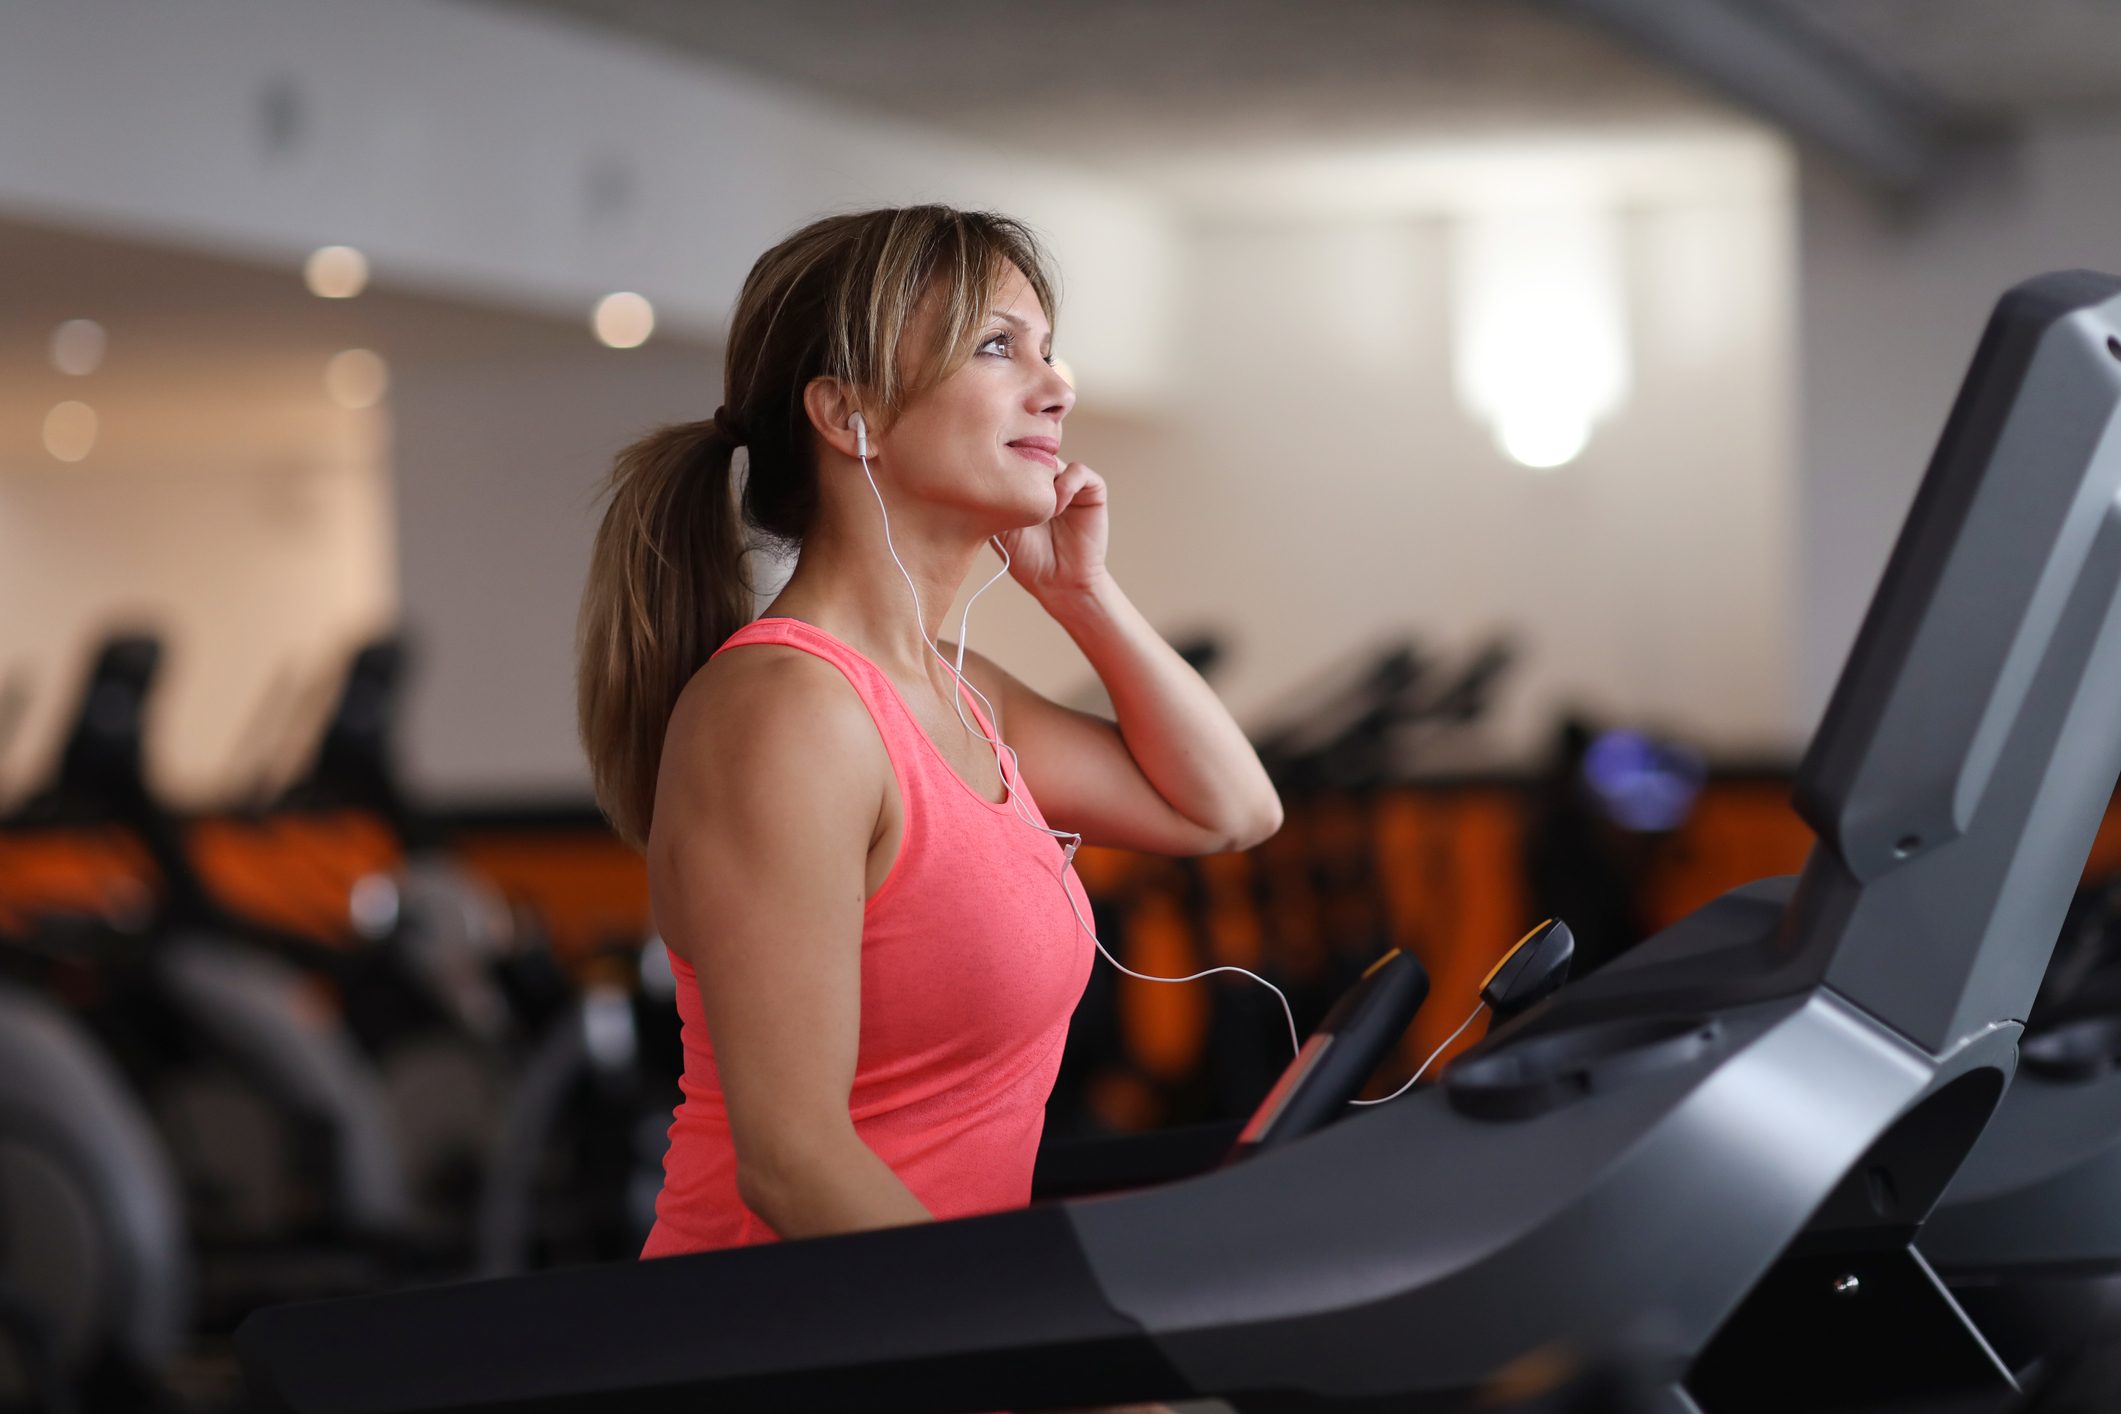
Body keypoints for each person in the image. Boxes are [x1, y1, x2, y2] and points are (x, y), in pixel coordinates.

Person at [576, 205, 1281, 1288]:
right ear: (847, 411)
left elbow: (1230, 812)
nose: (1058, 385)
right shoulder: (786, 711)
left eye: (1048, 349)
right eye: (999, 346)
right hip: (791, 1343)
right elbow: (793, 1163)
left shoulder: (954, 688)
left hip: (933, 1332)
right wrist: (1050, 1359)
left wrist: (1083, 595)